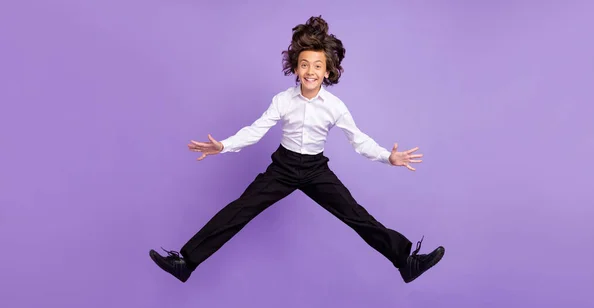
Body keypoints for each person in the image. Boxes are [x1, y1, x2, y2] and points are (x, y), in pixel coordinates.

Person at [149, 16, 445, 284]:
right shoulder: (283, 100)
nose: (310, 71)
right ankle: (185, 262)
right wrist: (224, 145)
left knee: (356, 215)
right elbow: (257, 129)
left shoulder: (335, 107)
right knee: (239, 210)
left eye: (317, 66)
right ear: (295, 67)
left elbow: (359, 140)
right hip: (283, 168)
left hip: (316, 170)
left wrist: (387, 156)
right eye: (304, 64)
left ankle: (406, 261)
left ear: (328, 71)